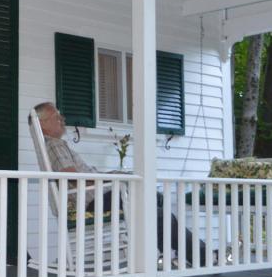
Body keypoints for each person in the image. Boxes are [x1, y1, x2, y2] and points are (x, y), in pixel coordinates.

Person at [34, 101, 208, 266]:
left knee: (156, 211)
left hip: (95, 195)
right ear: (42, 125)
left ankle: (177, 253)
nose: (62, 119)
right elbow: (70, 176)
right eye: (56, 117)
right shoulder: (54, 145)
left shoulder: (54, 144)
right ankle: (197, 255)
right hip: (92, 200)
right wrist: (110, 179)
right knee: (156, 204)